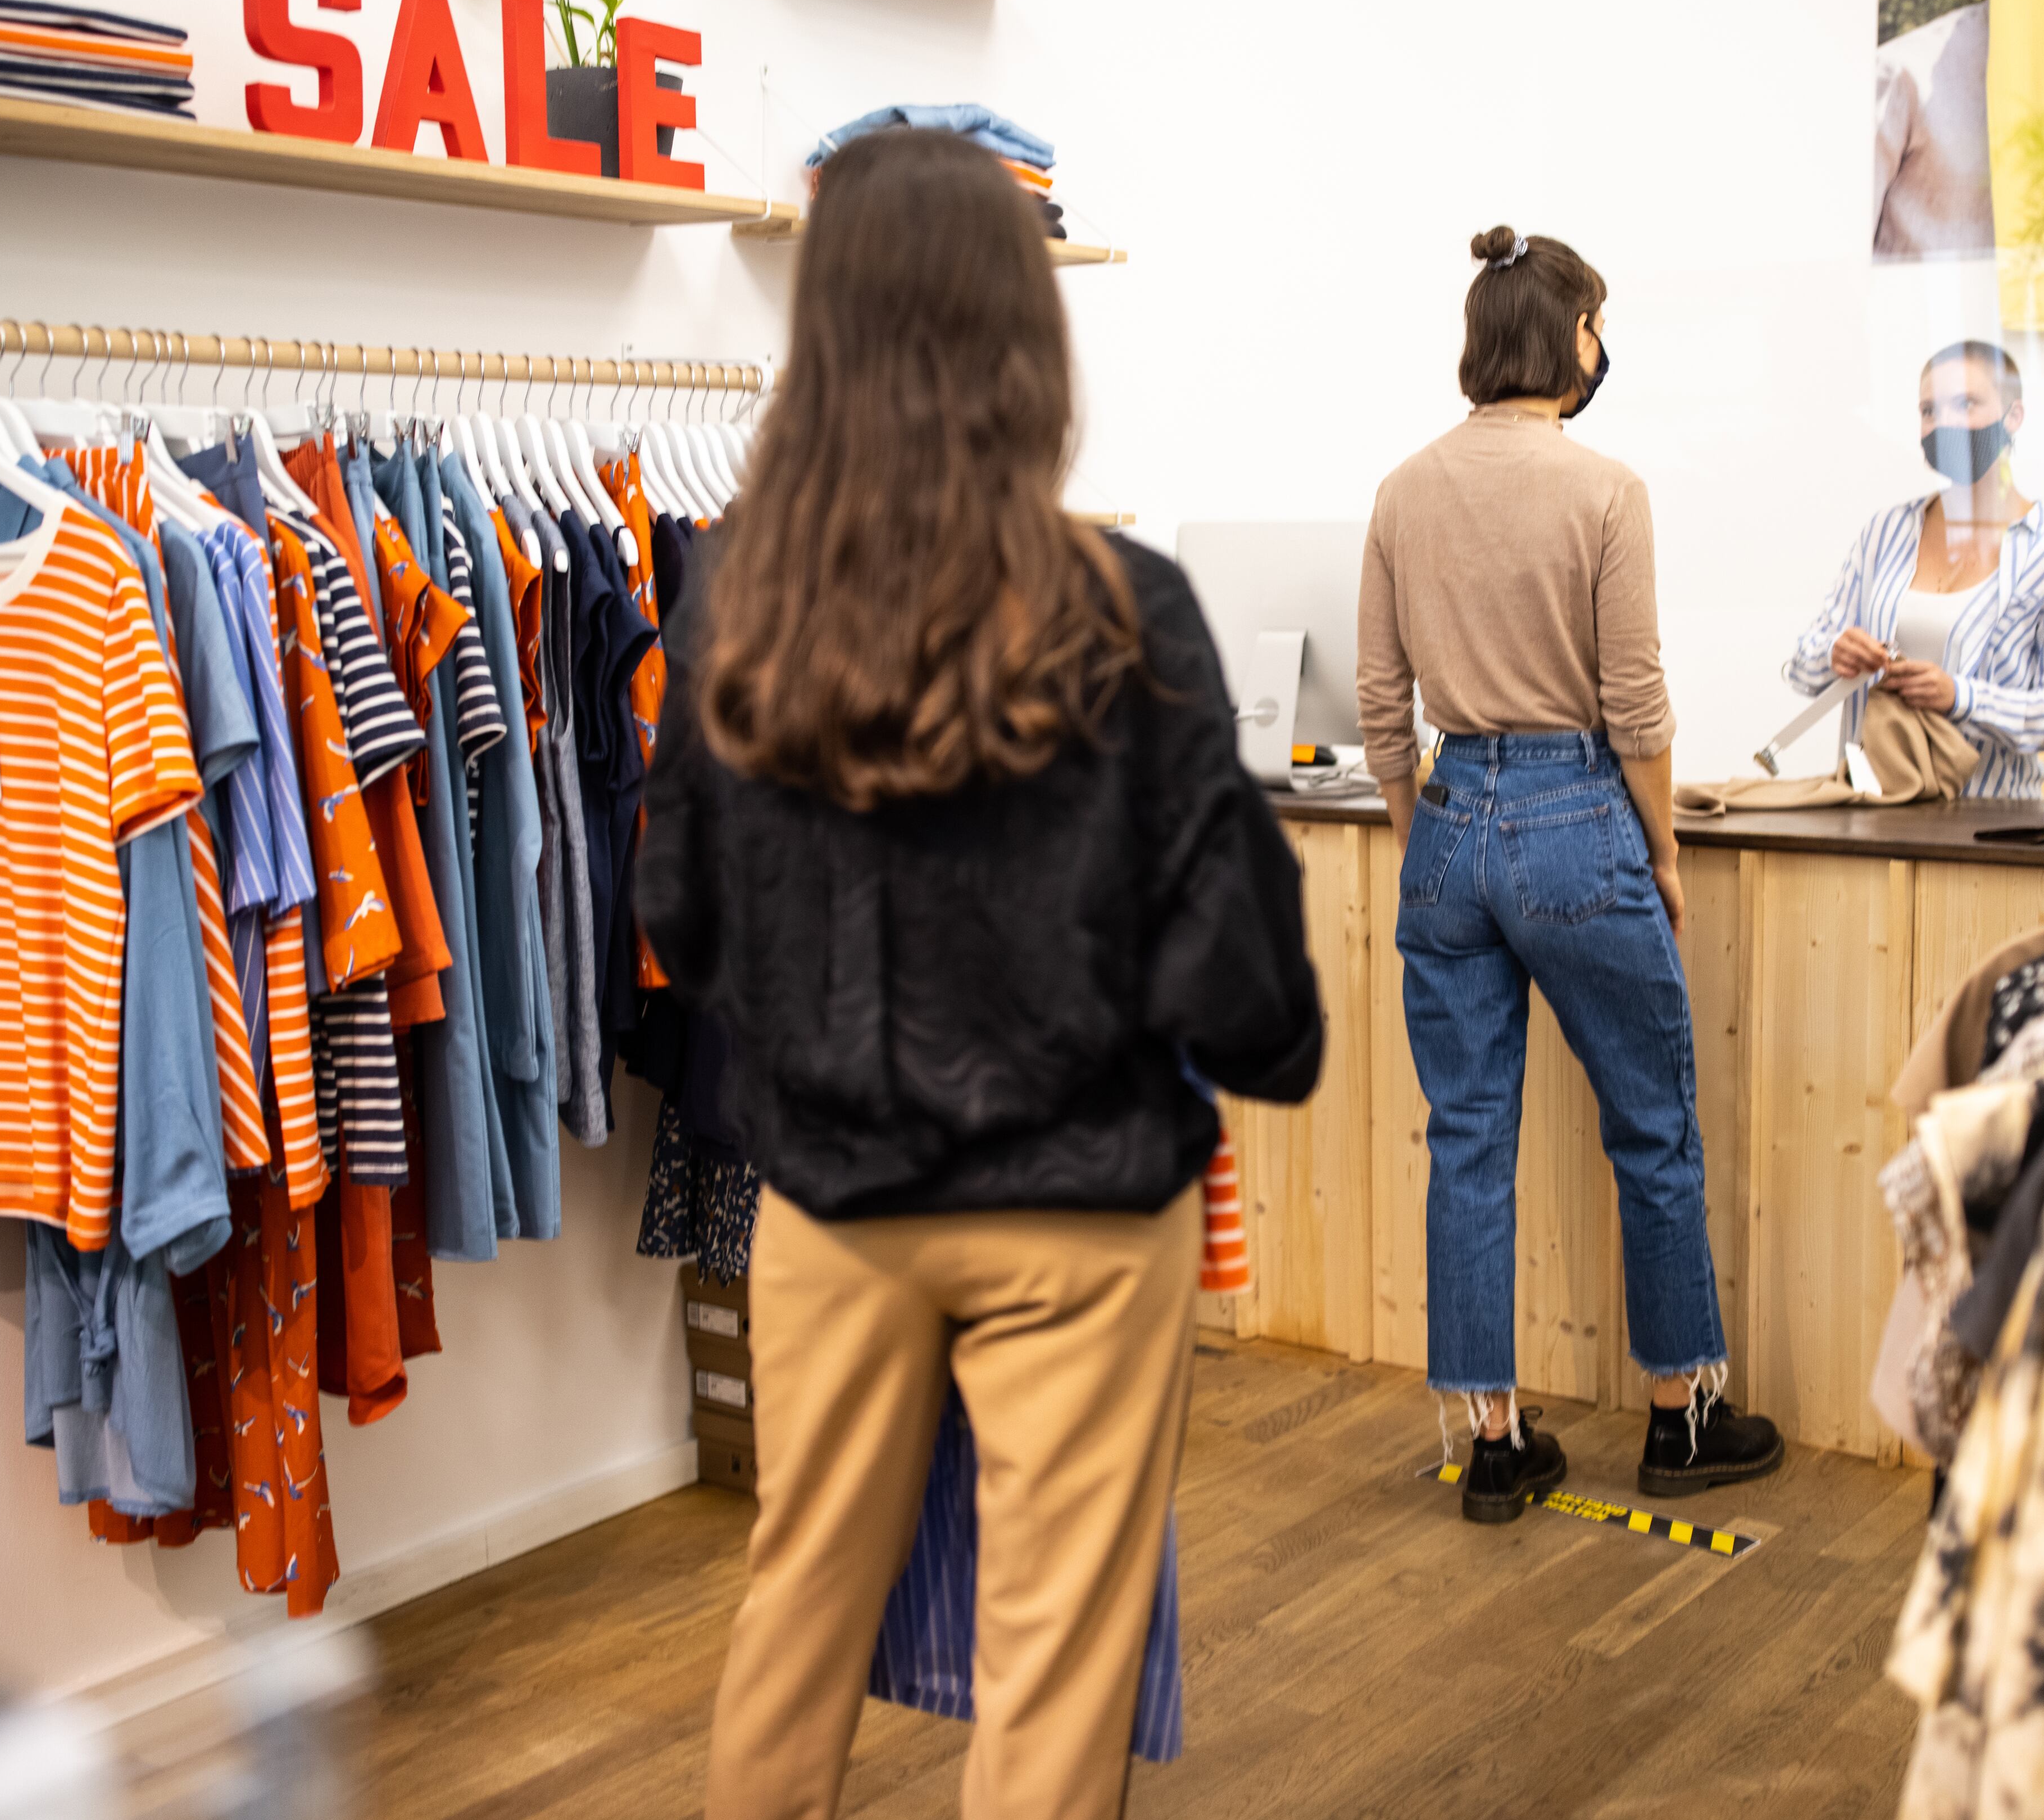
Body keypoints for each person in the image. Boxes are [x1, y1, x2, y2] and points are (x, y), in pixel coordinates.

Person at [638, 128, 1323, 1820]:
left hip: (829, 1201)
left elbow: (681, 918)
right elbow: (1240, 979)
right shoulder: (1126, 606)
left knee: (797, 1610)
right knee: (1054, 1658)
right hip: (1080, 1211)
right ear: (1025, 336)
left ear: (828, 332)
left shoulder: (733, 598)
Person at [1357, 225, 1783, 1526]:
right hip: (1571, 817)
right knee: (1650, 1127)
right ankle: (1680, 1420)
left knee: (1467, 1143)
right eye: (1596, 325)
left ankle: (1490, 1442)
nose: (1602, 349)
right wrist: (1660, 846)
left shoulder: (1402, 489)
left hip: (1450, 818)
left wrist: (1417, 829)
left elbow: (1381, 700)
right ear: (1569, 339)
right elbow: (1634, 701)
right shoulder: (1605, 489)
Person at [1786, 340, 2044, 798]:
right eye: (1929, 411)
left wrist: (1960, 697)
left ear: (2014, 416)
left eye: (1966, 404)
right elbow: (1802, 665)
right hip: (1868, 807)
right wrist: (1835, 653)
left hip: (1989, 818)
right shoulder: (1886, 532)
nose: (1944, 423)